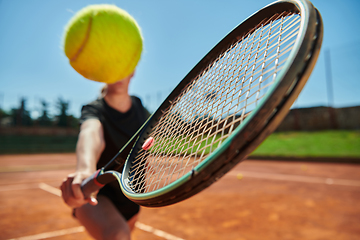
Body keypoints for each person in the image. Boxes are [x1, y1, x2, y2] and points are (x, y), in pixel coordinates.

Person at [60, 72, 149, 240]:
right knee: (119, 235)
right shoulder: (93, 109)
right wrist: (85, 169)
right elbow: (91, 133)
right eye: (112, 66)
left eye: (122, 66)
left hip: (131, 195)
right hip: (97, 192)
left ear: (133, 71)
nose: (118, 73)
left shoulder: (138, 105)